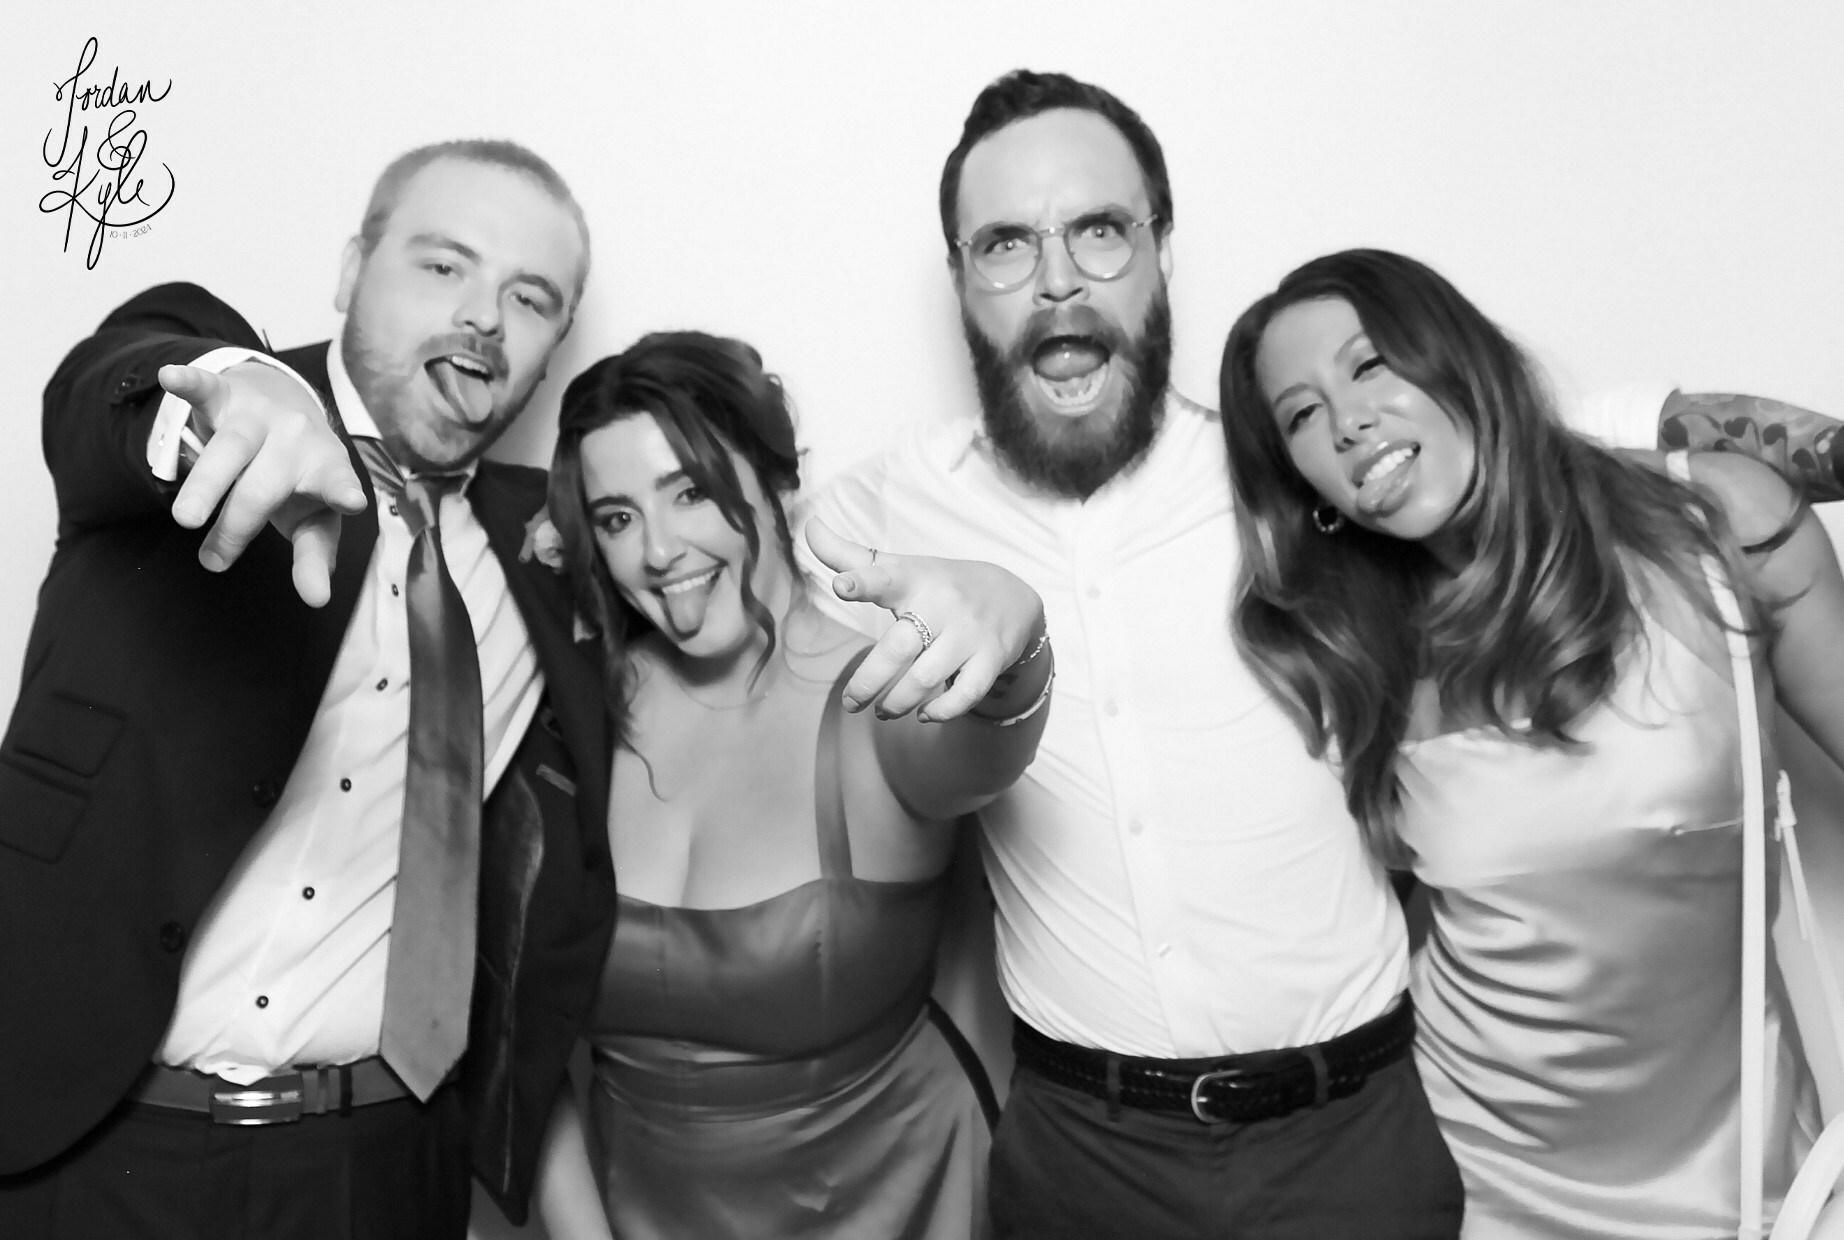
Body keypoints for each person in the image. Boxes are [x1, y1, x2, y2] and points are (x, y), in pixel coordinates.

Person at [796, 69, 1844, 1239]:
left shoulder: (1291, 485)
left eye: (1097, 230)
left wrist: (1715, 433)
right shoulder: (883, 514)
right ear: (959, 278)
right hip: (1082, 1148)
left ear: (1159, 249)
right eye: (1003, 244)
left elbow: (1483, 446)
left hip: (1353, 1130)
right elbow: (720, 560)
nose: (1055, 279)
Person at [0, 140, 617, 1240]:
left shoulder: (551, 549)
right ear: (349, 270)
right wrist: (237, 394)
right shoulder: (210, 434)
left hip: (379, 1170)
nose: (483, 316)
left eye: (530, 299)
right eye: (443, 265)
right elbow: (110, 389)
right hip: (89, 1148)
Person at [1219, 246, 1844, 1237]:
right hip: (1478, 1188)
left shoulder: (1715, 530)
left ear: (1455, 354)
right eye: (1300, 415)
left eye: (1370, 364)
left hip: (1746, 1181)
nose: (1346, 422)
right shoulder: (1357, 664)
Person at [528, 331, 1052, 1240]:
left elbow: (991, 741)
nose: (658, 549)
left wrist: (1016, 629)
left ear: (776, 483)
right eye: (616, 518)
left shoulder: (876, 699)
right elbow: (515, 1028)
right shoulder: (573, 710)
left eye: (690, 492)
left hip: (894, 1204)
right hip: (632, 1211)